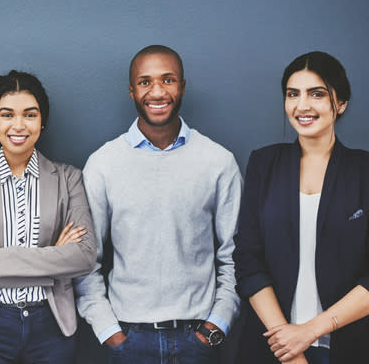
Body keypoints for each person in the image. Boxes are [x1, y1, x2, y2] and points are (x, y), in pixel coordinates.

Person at [74, 45, 243, 363]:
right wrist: (109, 331)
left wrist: (215, 326)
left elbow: (235, 256)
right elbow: (85, 261)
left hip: (199, 340)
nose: (157, 91)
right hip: (129, 341)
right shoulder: (103, 164)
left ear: (182, 86)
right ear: (131, 90)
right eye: (145, 81)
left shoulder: (218, 162)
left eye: (168, 80)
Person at [0, 69, 96, 364]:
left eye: (30, 114)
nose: (18, 125)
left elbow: (84, 257)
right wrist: (53, 261)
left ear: (42, 121)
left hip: (51, 326)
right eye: (7, 114)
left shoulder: (68, 178)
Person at [233, 51, 369, 364]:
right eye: (293, 94)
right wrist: (288, 344)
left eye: (317, 94)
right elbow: (247, 258)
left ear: (342, 103)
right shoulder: (264, 163)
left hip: (349, 347)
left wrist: (309, 331)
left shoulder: (364, 171)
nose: (302, 105)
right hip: (272, 347)